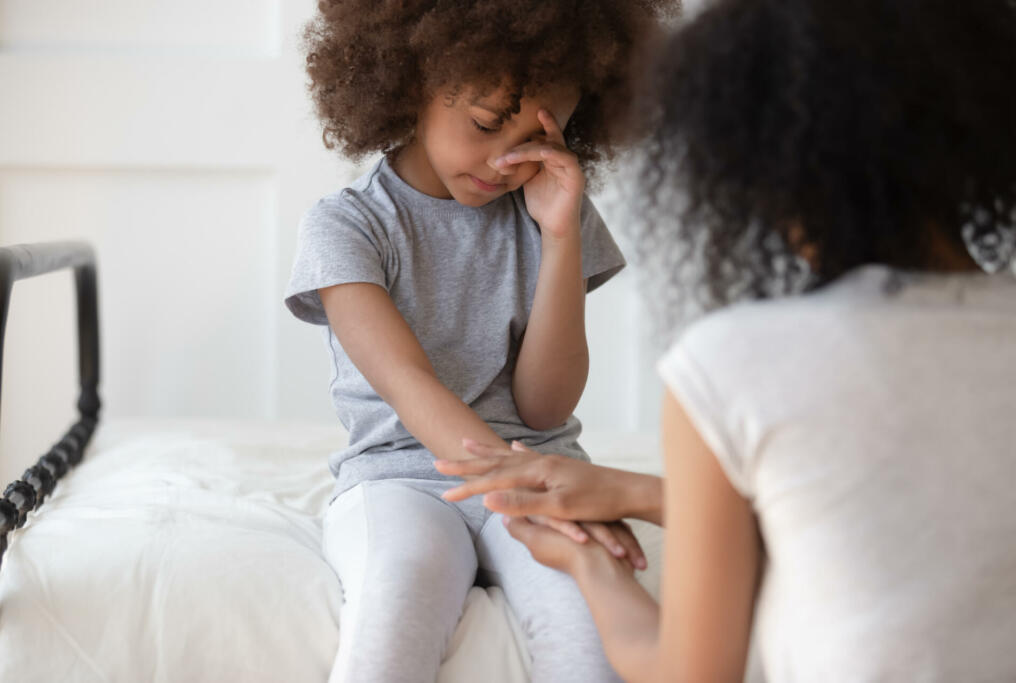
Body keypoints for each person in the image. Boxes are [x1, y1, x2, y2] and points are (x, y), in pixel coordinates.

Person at [440, 0, 1016, 681]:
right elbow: (905, 511)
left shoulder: (736, 363)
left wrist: (589, 563)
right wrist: (633, 491)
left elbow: (691, 672)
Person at [283, 2, 673, 681]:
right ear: (410, 82)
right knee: (392, 614)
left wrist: (559, 237)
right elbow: (409, 384)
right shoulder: (347, 228)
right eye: (489, 123)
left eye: (538, 139)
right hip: (400, 477)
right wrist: (518, 480)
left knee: (591, 641)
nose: (506, 160)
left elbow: (545, 408)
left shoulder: (552, 210)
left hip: (538, 463)